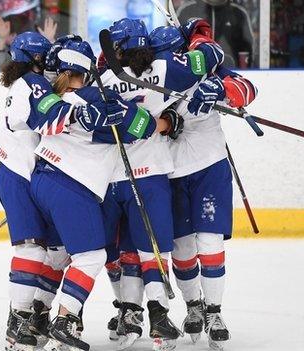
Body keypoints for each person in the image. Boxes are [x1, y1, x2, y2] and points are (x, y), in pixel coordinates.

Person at [98, 18, 226, 350]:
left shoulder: (103, 79)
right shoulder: (164, 69)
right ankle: (156, 313)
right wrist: (167, 121)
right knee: (153, 250)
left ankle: (127, 311)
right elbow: (211, 55)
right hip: (153, 174)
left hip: (110, 178)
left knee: (115, 251)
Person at [29, 39, 161, 351]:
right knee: (91, 256)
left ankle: (34, 314)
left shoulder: (49, 97)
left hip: (41, 182)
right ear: (86, 70)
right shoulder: (99, 96)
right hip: (72, 186)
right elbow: (145, 126)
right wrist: (122, 113)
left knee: (60, 253)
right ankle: (64, 319)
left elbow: (40, 119)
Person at [160, 19, 257, 350]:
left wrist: (222, 89)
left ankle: (214, 311)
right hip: (171, 171)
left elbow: (247, 88)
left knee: (211, 242)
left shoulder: (206, 63)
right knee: (183, 248)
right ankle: (193, 307)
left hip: (210, 167)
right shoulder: (156, 73)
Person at [0, 31, 62, 351]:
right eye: (45, 58)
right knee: (32, 250)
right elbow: (34, 121)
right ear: (36, 61)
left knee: (59, 250)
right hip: (17, 177)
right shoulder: (31, 84)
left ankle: (38, 310)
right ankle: (18, 319)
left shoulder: (24, 83)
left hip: (27, 177)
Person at [176, 0, 256, 67]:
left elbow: (248, 48)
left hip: (229, 73)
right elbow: (174, 43)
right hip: (194, 72)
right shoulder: (187, 11)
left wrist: (246, 70)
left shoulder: (238, 13)